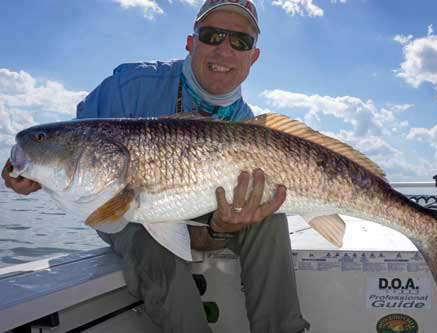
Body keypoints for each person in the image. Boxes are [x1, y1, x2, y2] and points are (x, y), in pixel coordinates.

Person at [2, 0, 310, 332]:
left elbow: (206, 237)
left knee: (269, 219)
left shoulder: (245, 124)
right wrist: (24, 167)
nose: (224, 49)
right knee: (148, 243)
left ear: (253, 56)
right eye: (211, 35)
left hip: (200, 212)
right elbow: (71, 144)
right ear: (191, 42)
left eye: (240, 41)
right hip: (122, 210)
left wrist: (224, 226)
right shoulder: (130, 85)